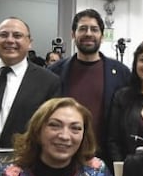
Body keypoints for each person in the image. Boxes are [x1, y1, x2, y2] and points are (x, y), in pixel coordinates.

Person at [0, 17, 61, 149]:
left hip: (17, 162)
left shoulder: (48, 82)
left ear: (29, 42)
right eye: (3, 35)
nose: (10, 40)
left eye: (17, 35)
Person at [48, 9, 131, 158]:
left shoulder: (121, 73)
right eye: (82, 29)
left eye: (94, 29)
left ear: (102, 35)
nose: (88, 34)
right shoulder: (54, 72)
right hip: (63, 154)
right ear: (73, 34)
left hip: (105, 158)